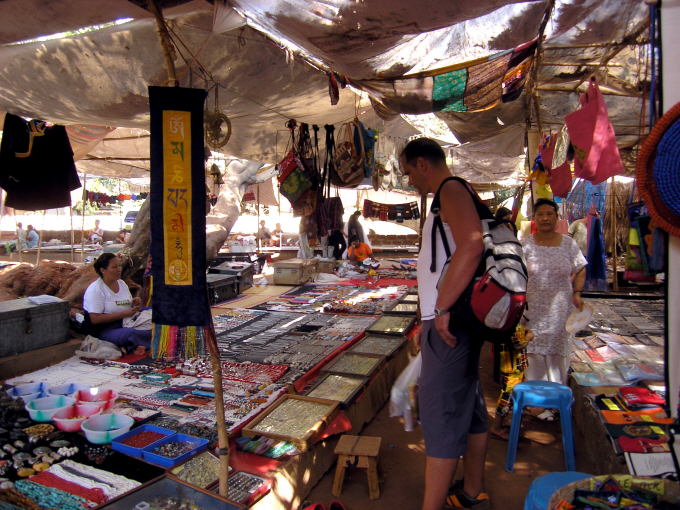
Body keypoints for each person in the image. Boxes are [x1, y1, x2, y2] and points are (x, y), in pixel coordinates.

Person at [400, 138, 488, 510]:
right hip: (457, 318)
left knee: (440, 415)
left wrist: (442, 309)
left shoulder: (450, 189)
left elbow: (472, 244)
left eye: (408, 172)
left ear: (422, 164)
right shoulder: (458, 191)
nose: (409, 182)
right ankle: (471, 491)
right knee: (469, 404)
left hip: (451, 322)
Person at [522, 198, 587, 412]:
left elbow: (580, 268)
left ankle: (557, 405)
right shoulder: (526, 244)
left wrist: (577, 293)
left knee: (558, 356)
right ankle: (536, 406)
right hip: (532, 310)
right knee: (533, 355)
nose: (545, 218)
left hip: (560, 310)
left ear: (556, 217)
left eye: (550, 214)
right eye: (540, 214)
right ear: (534, 218)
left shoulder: (568, 243)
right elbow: (517, 275)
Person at [83, 253, 151, 356]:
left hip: (127, 320)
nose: (119, 269)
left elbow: (122, 303)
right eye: (114, 267)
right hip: (105, 329)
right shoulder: (96, 290)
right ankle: (136, 344)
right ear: (103, 270)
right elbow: (95, 319)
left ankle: (136, 344)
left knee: (156, 314)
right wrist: (123, 314)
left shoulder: (121, 283)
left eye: (119, 266)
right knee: (130, 334)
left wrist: (133, 302)